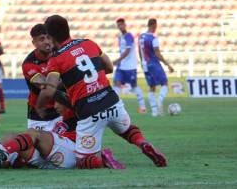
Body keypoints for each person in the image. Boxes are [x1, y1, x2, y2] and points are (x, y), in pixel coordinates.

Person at [36, 15, 167, 169]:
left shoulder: (56, 59)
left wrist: (39, 106)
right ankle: (142, 142)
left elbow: (49, 91)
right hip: (112, 102)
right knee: (126, 129)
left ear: (51, 37)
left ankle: (104, 158)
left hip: (89, 112)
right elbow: (109, 67)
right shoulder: (89, 43)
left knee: (83, 162)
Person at [22, 24, 61, 131]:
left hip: (60, 111)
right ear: (34, 43)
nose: (47, 42)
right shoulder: (29, 63)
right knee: (37, 146)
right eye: (42, 39)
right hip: (38, 114)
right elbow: (45, 86)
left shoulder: (60, 54)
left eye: (49, 37)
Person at [138, 18, 174, 117]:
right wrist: (168, 65)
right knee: (165, 84)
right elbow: (157, 54)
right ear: (154, 25)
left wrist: (142, 63)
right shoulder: (153, 38)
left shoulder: (141, 37)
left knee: (152, 87)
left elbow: (139, 51)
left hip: (145, 65)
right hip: (153, 63)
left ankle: (154, 112)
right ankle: (159, 100)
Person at [113, 18, 146, 113]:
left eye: (121, 24)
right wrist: (119, 62)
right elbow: (122, 51)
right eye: (118, 25)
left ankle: (143, 107)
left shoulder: (129, 36)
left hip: (130, 67)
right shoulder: (120, 37)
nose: (120, 26)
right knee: (116, 84)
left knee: (134, 86)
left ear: (125, 25)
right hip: (121, 66)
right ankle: (117, 108)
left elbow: (127, 51)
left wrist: (118, 60)